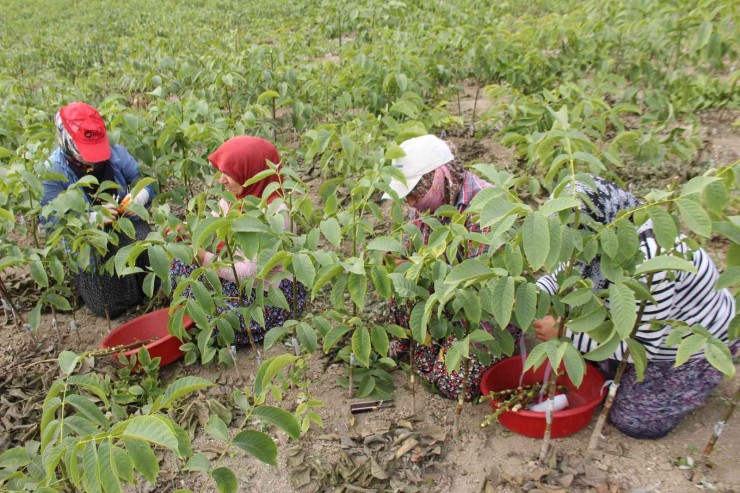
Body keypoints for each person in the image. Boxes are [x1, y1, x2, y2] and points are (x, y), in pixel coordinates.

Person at [533, 176, 736, 439]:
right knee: (586, 372)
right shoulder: (593, 233)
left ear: (599, 226)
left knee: (633, 419)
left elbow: (642, 345)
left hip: (684, 343)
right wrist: (534, 294)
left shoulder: (649, 264)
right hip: (632, 324)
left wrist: (565, 334)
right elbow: (565, 270)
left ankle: (702, 375)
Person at [384, 134, 521, 401]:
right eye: (406, 196)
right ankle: (408, 341)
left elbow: (486, 290)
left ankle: (490, 350)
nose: (410, 203)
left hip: (480, 309)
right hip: (442, 298)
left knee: (452, 383)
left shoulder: (487, 208)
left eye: (414, 192)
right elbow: (408, 256)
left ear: (439, 176)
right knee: (421, 363)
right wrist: (401, 263)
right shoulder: (423, 208)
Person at [169, 136, 307, 346]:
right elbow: (210, 227)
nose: (221, 180)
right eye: (222, 172)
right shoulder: (234, 199)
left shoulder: (275, 214)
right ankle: (200, 319)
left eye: (229, 173)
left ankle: (212, 326)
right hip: (235, 274)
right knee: (178, 265)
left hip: (268, 294)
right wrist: (188, 233)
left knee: (221, 319)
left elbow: (250, 272)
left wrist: (206, 258)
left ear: (251, 172)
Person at [41, 102, 156, 318]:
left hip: (125, 224)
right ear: (68, 143)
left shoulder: (116, 154)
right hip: (86, 242)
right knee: (107, 304)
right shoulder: (52, 171)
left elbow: (145, 181)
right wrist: (89, 219)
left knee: (147, 247)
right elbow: (51, 221)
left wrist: (140, 195)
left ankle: (148, 292)